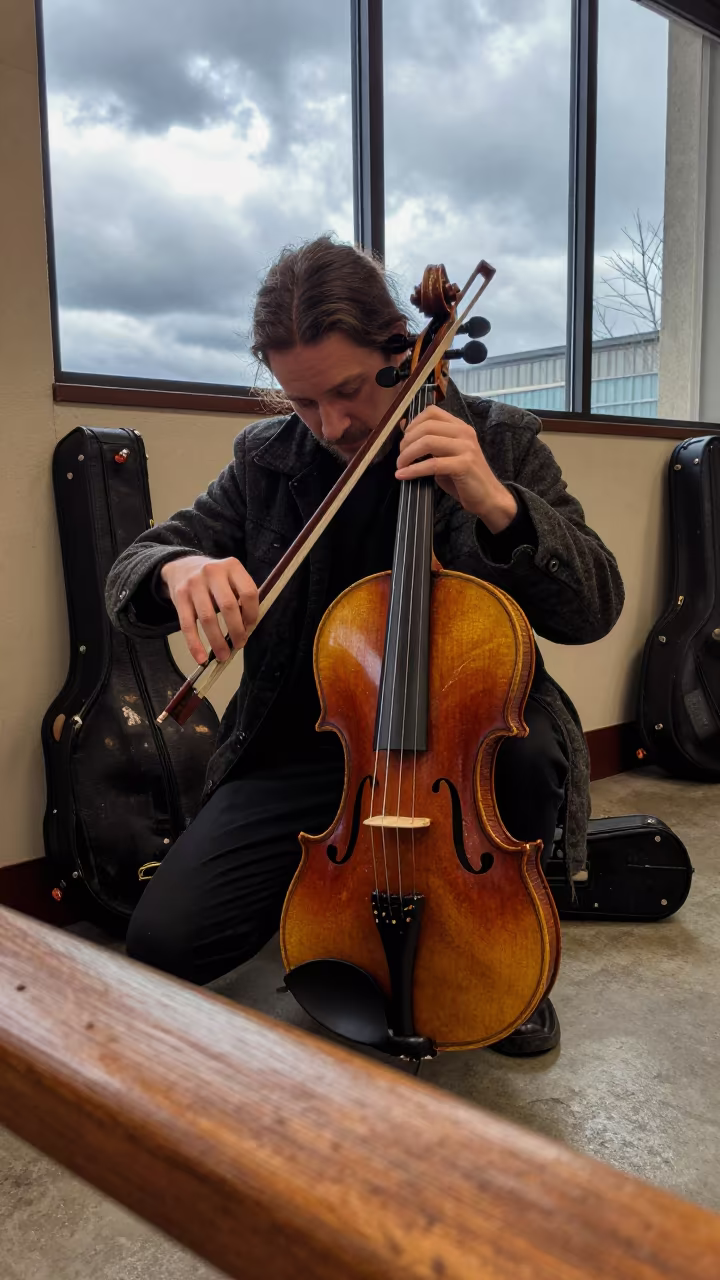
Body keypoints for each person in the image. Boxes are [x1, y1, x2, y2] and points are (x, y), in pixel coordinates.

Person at [106, 236, 624, 1056]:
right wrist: (179, 566)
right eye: (303, 402)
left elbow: (596, 603)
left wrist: (499, 505)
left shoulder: (500, 439)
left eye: (347, 392)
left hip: (469, 753)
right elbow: (131, 568)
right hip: (311, 747)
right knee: (166, 944)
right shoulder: (268, 461)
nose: (331, 425)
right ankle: (334, 897)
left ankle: (505, 962)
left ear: (400, 352)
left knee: (529, 758)